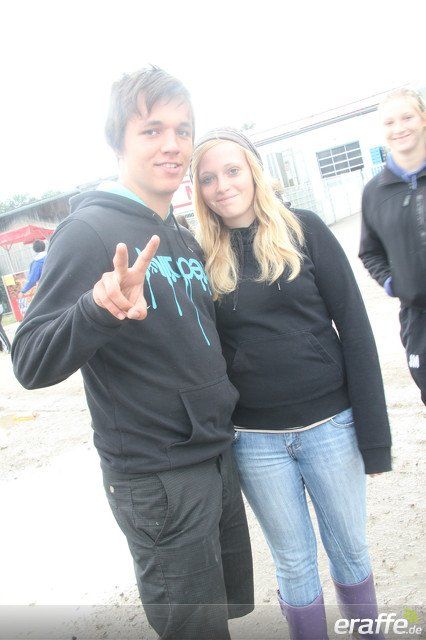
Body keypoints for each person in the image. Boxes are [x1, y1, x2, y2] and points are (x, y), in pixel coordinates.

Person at [12, 69, 253, 640]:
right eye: (152, 130)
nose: (172, 144)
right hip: (158, 477)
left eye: (182, 130)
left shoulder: (180, 232)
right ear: (117, 140)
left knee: (223, 616)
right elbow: (30, 360)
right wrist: (97, 308)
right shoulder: (89, 231)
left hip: (215, 455)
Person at [190, 128, 392, 640]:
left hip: (331, 428)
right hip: (255, 442)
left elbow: (356, 329)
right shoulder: (200, 256)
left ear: (253, 171)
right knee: (295, 563)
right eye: (208, 178)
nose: (222, 186)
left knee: (350, 550)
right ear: (198, 190)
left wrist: (375, 437)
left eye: (232, 171)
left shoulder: (306, 229)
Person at [359, 88, 426, 405]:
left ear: (423, 119)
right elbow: (369, 251)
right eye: (389, 122)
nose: (399, 128)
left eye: (407, 117)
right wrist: (392, 283)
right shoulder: (375, 192)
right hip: (418, 319)